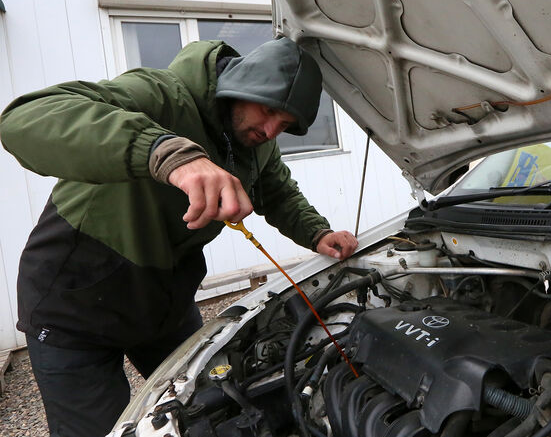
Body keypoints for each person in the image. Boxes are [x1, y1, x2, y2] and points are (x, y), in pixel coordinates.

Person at [0, 37, 358, 437]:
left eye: (286, 125)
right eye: (269, 110)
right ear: (243, 86)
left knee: (214, 405)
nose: (272, 129)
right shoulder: (161, 96)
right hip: (75, 302)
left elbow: (276, 190)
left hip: (164, 303)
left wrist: (317, 232)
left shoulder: (256, 143)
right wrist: (166, 152)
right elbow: (26, 118)